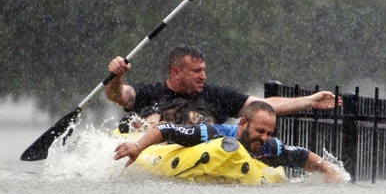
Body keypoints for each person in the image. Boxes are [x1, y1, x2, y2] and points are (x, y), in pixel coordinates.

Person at [113, 101, 345, 183]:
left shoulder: (267, 146)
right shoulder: (213, 133)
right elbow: (167, 129)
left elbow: (301, 155)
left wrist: (328, 169)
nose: (263, 137)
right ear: (243, 123)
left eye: (269, 132)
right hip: (180, 156)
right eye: (260, 130)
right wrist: (138, 147)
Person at [106, 45, 340, 126]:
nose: (203, 76)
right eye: (196, 71)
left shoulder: (216, 96)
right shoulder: (151, 92)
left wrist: (310, 100)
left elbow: (264, 105)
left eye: (204, 70)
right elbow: (119, 96)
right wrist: (116, 76)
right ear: (176, 72)